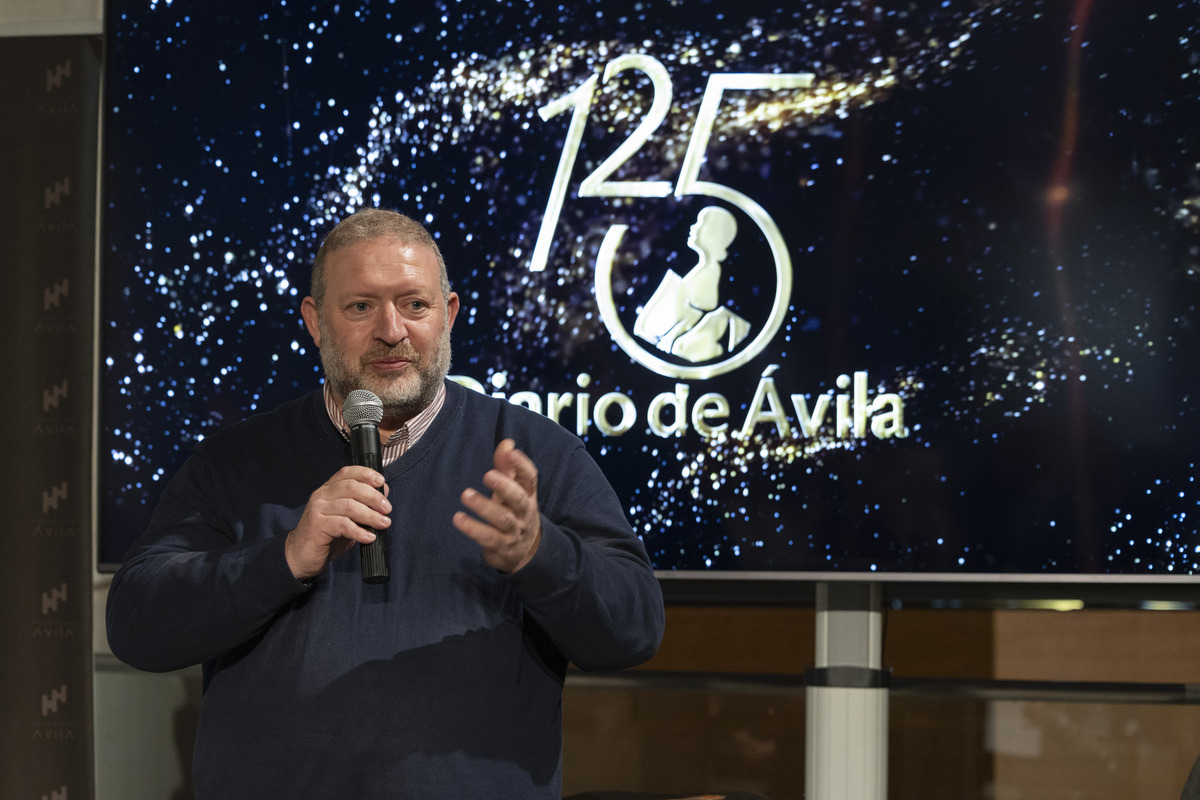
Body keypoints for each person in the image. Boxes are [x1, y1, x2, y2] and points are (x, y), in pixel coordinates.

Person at [106, 207, 666, 799]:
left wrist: (539, 553)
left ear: (447, 315)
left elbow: (633, 629)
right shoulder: (234, 463)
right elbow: (138, 625)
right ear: (315, 321)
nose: (392, 329)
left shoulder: (533, 454)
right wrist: (285, 558)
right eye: (360, 307)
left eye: (415, 305)